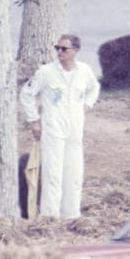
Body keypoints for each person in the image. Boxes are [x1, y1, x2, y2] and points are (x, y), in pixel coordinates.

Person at [19, 34, 101, 219]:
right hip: (53, 128)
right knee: (53, 174)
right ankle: (50, 216)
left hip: (75, 129)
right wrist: (35, 120)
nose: (59, 52)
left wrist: (87, 104)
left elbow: (94, 87)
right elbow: (26, 94)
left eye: (64, 49)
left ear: (75, 51)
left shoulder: (84, 71)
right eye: (57, 48)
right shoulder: (46, 72)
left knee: (73, 174)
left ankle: (71, 215)